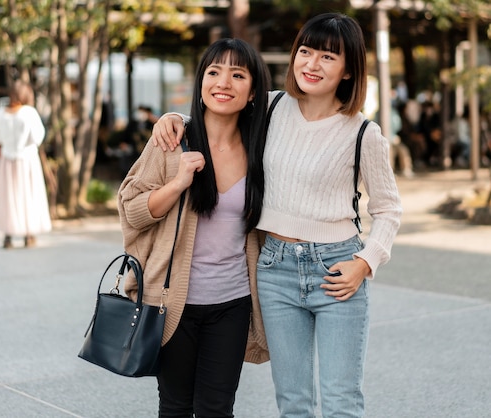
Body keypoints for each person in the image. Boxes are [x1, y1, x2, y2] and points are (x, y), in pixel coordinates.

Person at [152, 13, 403, 418]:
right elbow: (219, 113)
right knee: (293, 402)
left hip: (337, 269)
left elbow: (389, 208)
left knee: (342, 401)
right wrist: (174, 119)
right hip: (275, 269)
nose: (311, 64)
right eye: (305, 51)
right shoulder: (270, 107)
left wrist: (366, 262)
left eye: (327, 56)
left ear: (349, 70)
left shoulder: (363, 133)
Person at [118, 38, 271, 417]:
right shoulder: (172, 141)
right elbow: (131, 209)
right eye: (214, 72)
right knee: (175, 407)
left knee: (217, 408)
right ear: (201, 80)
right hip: (172, 301)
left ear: (253, 91)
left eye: (238, 75)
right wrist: (176, 184)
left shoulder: (261, 147)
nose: (223, 83)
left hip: (233, 303)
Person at [0, 80, 51, 249]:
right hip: (27, 159)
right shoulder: (29, 113)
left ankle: (8, 235)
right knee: (28, 195)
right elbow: (37, 137)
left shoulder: (0, 113)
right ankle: (28, 234)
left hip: (7, 159)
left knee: (8, 196)